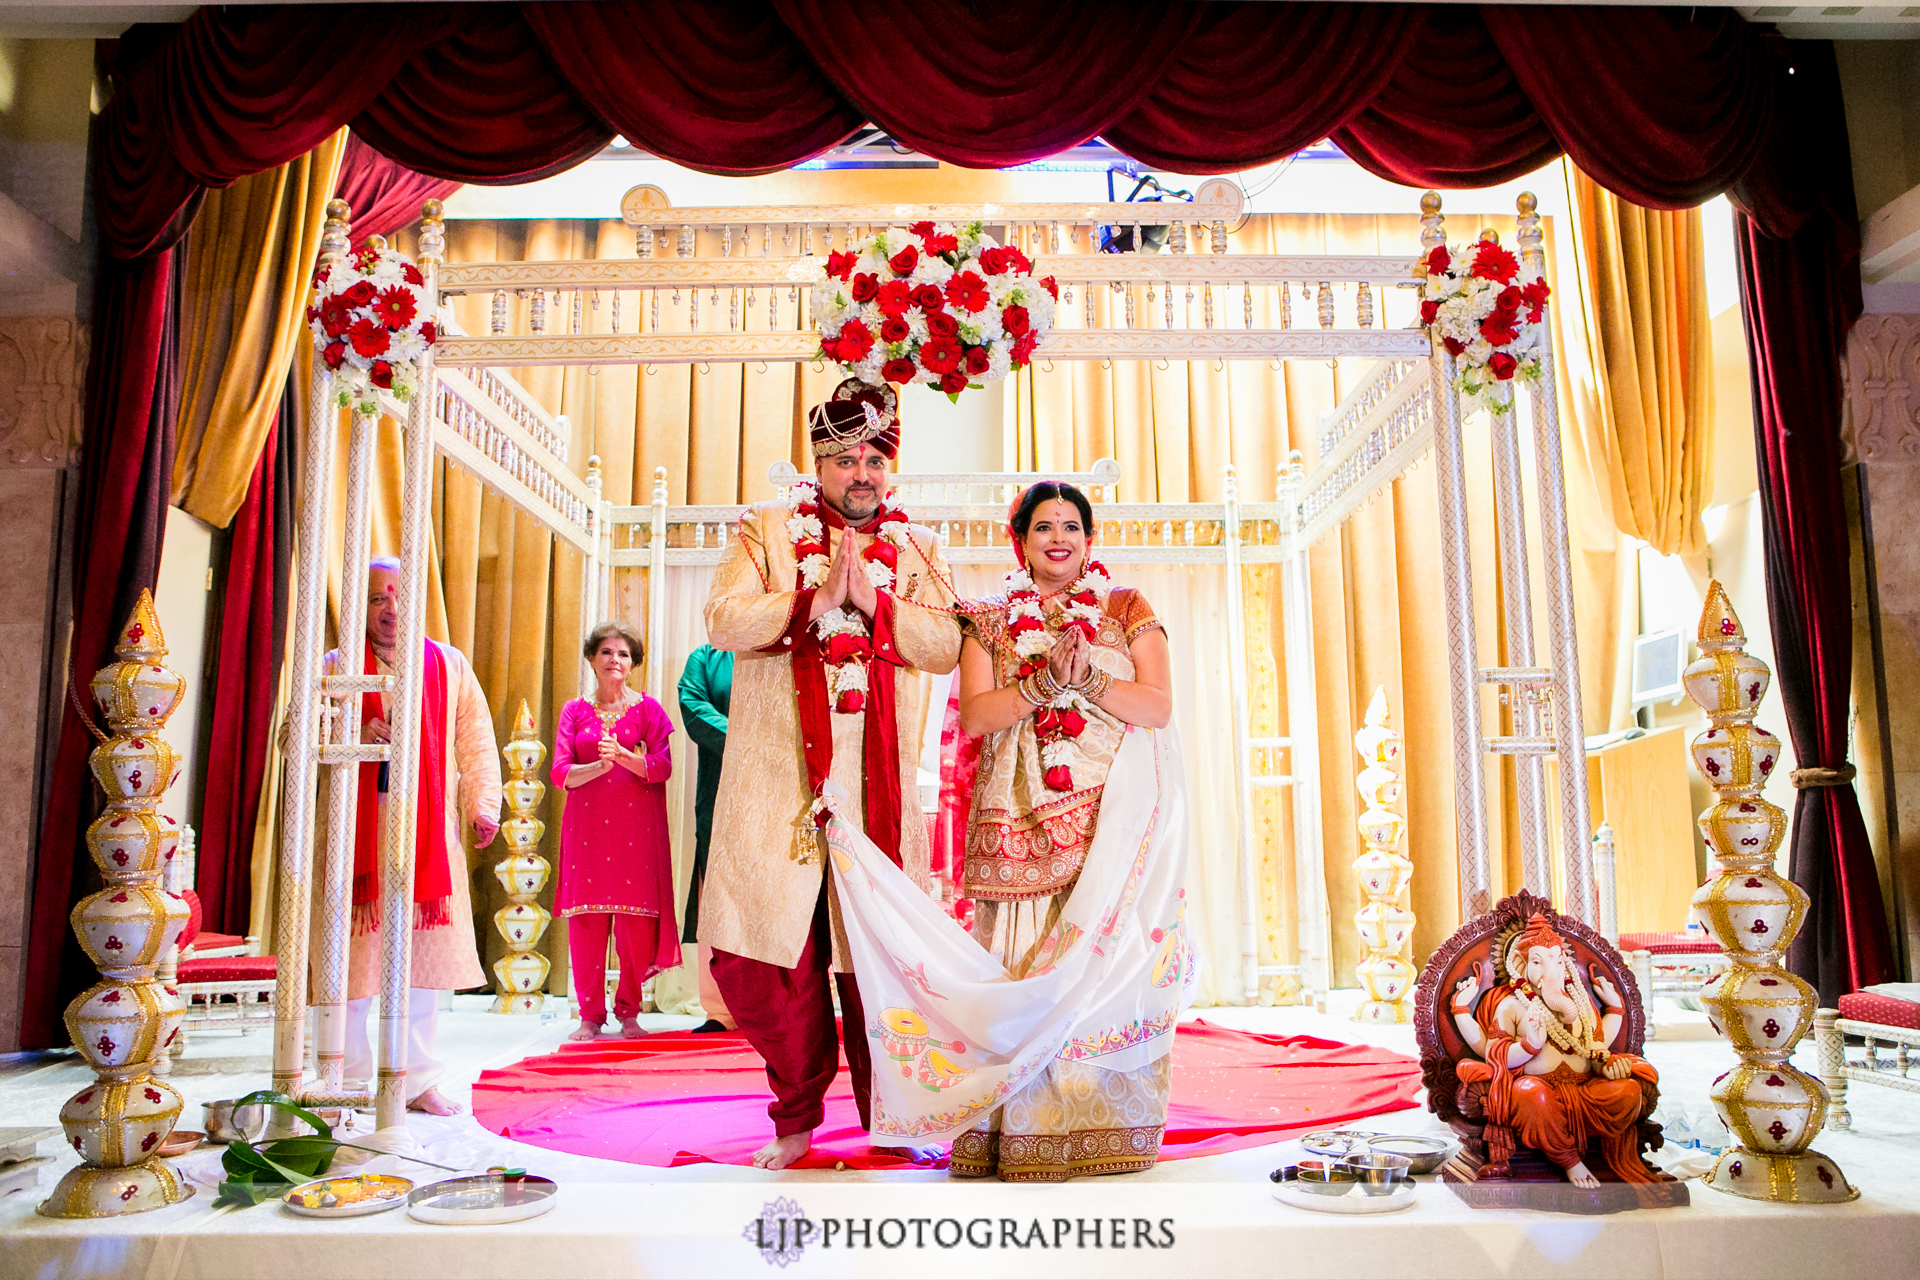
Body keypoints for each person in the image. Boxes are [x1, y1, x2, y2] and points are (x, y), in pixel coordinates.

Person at [821, 480, 1196, 1181]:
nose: (1060, 538)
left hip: (1107, 827)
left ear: (1091, 540)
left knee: (1101, 970)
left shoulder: (1125, 608)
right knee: (1024, 969)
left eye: (1073, 527)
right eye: (1044, 526)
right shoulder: (988, 619)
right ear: (1018, 540)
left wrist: (1082, 683)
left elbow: (1157, 706)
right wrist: (1041, 685)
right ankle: (1014, 1131)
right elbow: (979, 715)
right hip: (1015, 821)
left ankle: (1096, 1128)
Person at [700, 377, 961, 1170]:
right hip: (776, 783)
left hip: (872, 786)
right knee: (772, 959)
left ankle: (892, 1114)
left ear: (892, 468)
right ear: (819, 465)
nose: (862, 474)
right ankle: (794, 1118)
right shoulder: (768, 532)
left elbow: (947, 645)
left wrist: (877, 606)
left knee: (880, 959)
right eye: (845, 459)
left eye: (875, 459)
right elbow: (722, 620)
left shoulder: (916, 550)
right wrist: (813, 599)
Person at [324, 555, 502, 1116]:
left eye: (399, 597)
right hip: (354, 833)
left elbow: (474, 739)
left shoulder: (447, 665)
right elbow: (294, 734)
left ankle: (416, 1078)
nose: (390, 610)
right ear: (363, 606)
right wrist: (354, 727)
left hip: (427, 832)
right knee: (352, 960)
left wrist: (483, 805)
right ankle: (350, 1077)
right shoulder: (335, 664)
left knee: (421, 962)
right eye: (377, 598)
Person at [1450, 913, 1661, 1187]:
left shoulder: (1580, 1004)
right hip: (1538, 1096)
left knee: (1629, 1092)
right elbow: (1495, 1052)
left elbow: (1594, 1046)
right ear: (1520, 964)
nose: (1552, 972)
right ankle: (1570, 1160)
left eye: (1558, 963)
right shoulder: (1512, 1005)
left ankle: (1603, 1155)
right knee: (1530, 1094)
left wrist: (1607, 1062)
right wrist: (1528, 1047)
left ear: (1567, 967)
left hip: (1583, 1093)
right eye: (1538, 962)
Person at [551, 621, 682, 1041]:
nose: (615, 660)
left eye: (623, 654)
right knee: (587, 923)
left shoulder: (648, 710)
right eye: (607, 652)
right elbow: (560, 773)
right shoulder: (575, 711)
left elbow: (662, 767)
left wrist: (625, 758)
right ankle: (590, 1016)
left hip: (636, 831)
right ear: (592, 659)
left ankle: (629, 1013)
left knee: (635, 924)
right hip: (587, 828)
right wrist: (597, 766)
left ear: (633, 664)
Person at [677, 641, 735, 1033]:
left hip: (778, 784)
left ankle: (782, 1009)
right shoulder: (705, 657)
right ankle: (720, 1011)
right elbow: (694, 707)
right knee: (717, 895)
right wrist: (745, 740)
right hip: (719, 789)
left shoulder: (787, 645)